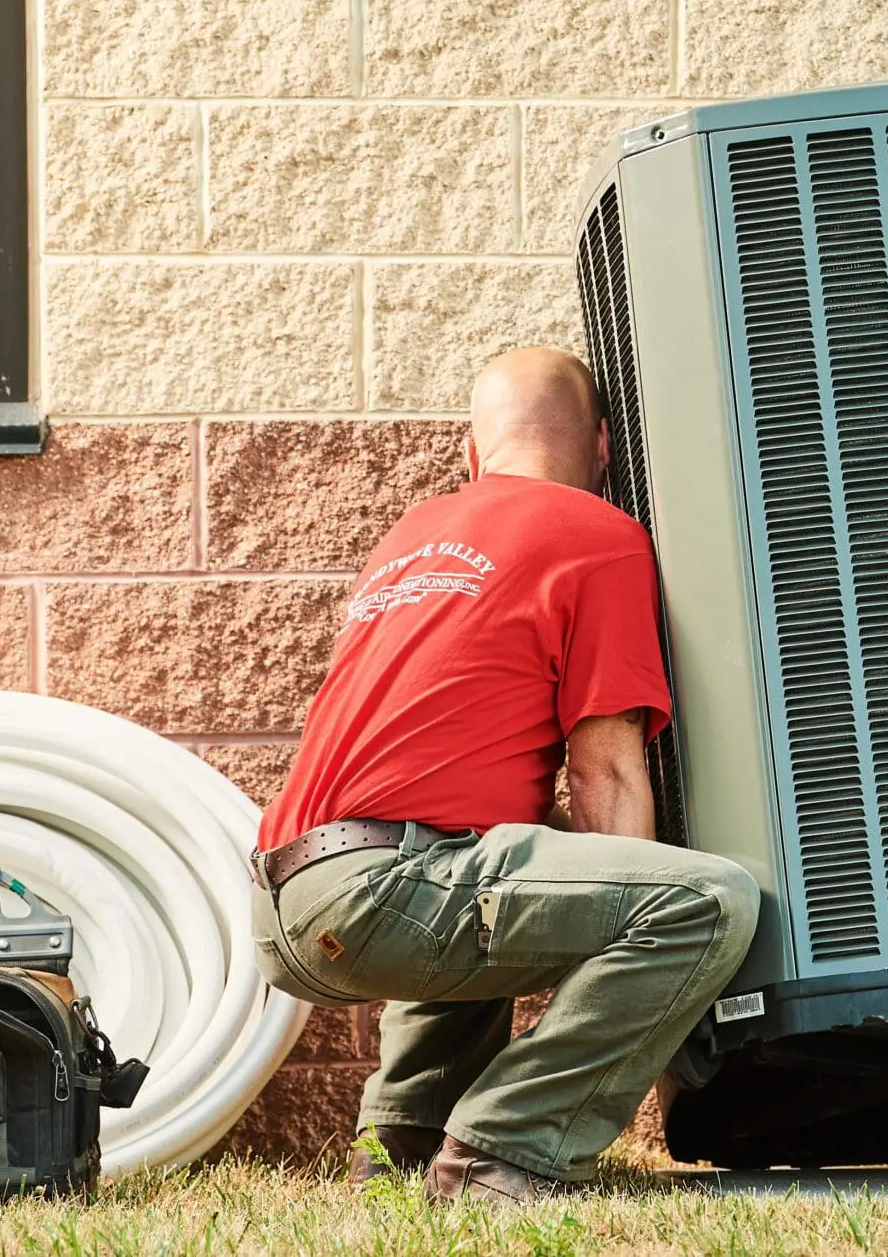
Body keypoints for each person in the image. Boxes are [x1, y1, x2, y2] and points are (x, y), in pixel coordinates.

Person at [250, 347, 758, 1204]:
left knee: (485, 862)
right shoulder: (597, 535)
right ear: (603, 446)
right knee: (707, 902)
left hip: (283, 898)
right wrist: (633, 963)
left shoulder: (414, 535)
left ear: (472, 453)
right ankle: (502, 1155)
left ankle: (402, 1139)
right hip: (385, 892)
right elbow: (604, 774)